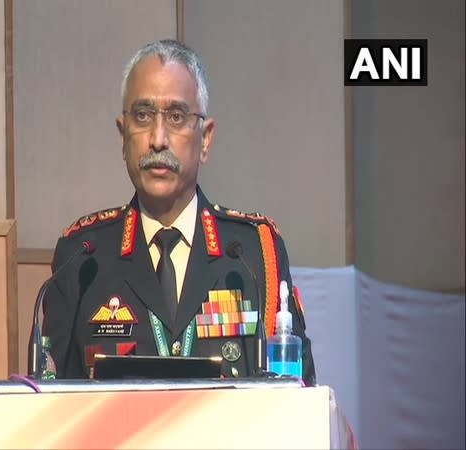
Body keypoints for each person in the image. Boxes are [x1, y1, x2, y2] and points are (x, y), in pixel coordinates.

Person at [41, 39, 316, 386]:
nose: (158, 139)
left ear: (205, 139)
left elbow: (300, 394)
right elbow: (47, 407)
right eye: (142, 116)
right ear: (123, 134)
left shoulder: (254, 253)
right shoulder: (82, 258)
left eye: (176, 117)